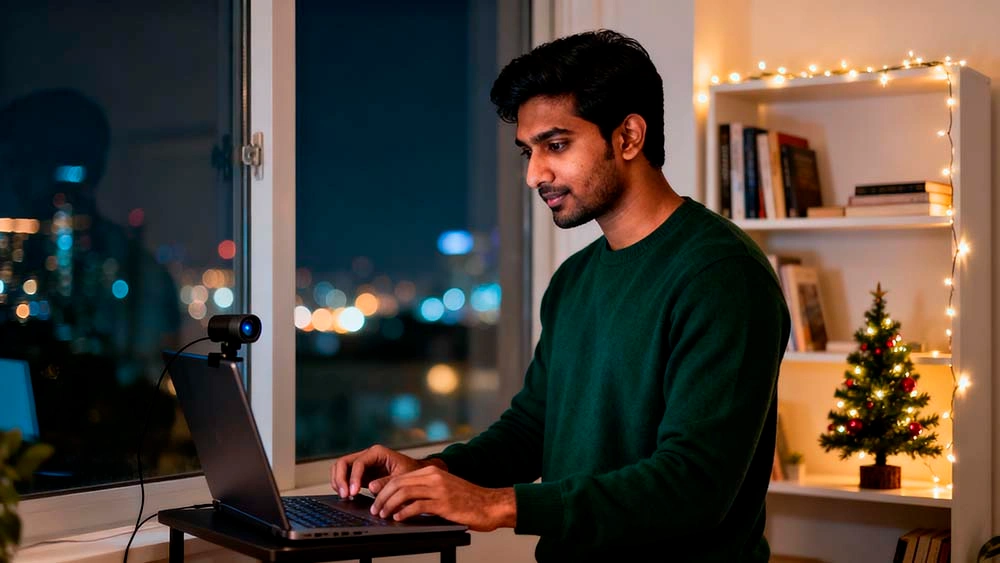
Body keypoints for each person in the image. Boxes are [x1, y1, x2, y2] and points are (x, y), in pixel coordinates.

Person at [332, 29, 790, 562]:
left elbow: (694, 487)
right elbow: (533, 429)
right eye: (528, 151)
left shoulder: (721, 275)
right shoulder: (575, 278)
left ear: (628, 137)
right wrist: (436, 472)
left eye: (556, 144)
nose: (534, 174)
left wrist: (498, 506)